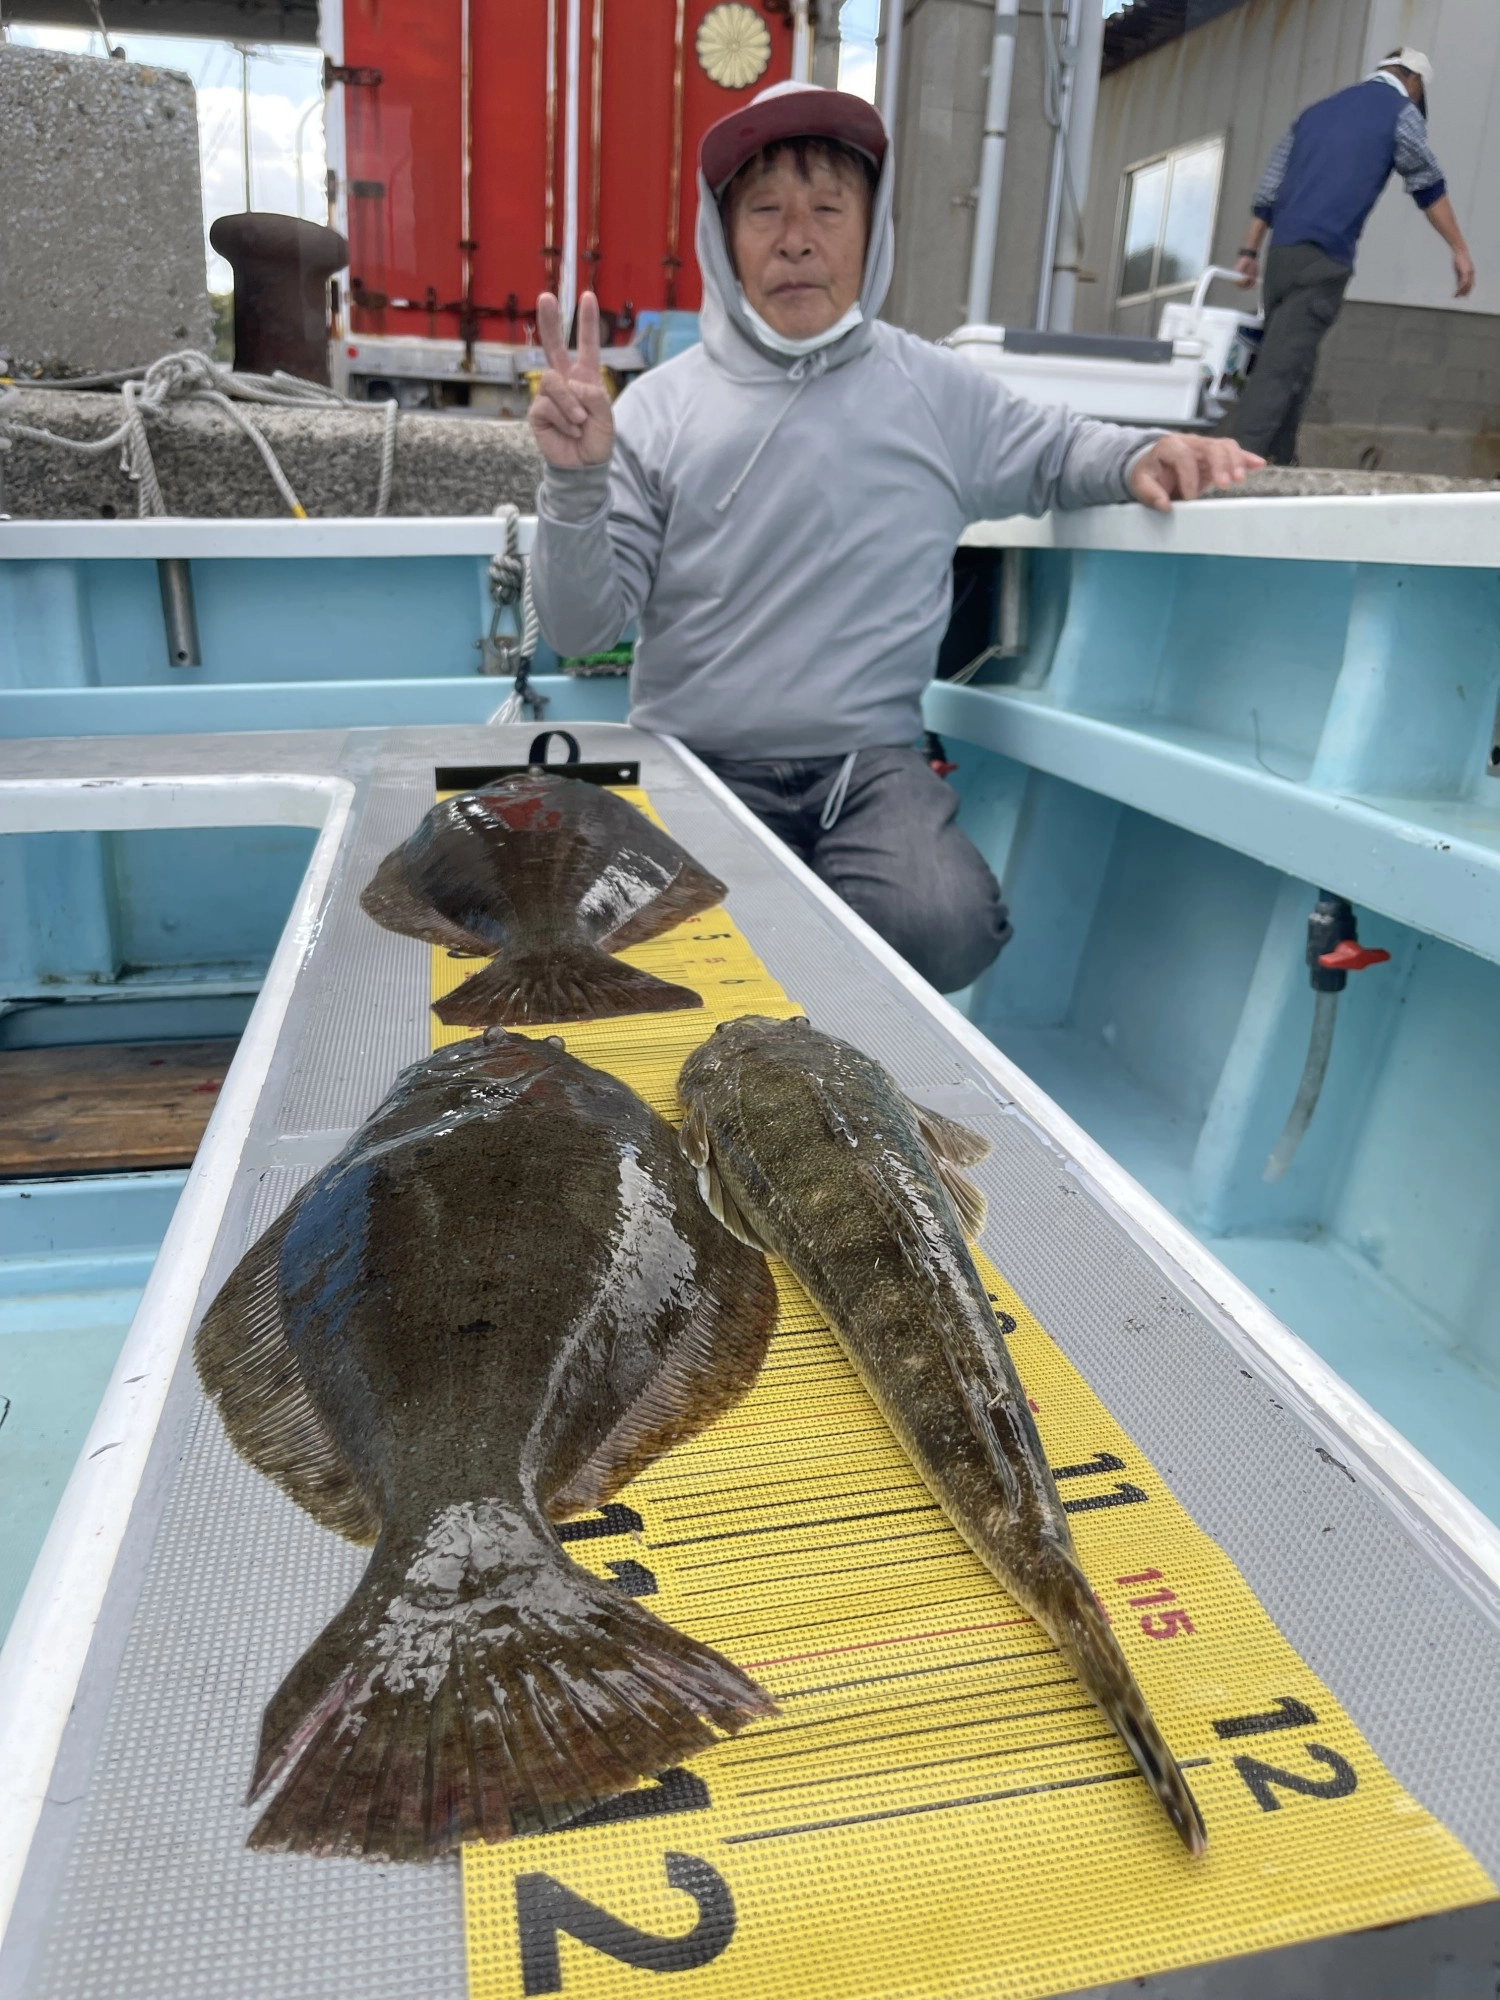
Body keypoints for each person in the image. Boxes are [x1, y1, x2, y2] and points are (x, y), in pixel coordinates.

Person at [529, 82, 1260, 994]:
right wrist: (574, 480)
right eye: (763, 212)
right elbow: (577, 624)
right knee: (605, 947)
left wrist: (1150, 452)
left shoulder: (934, 389)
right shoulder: (660, 408)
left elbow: (1061, 448)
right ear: (724, 241)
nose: (796, 239)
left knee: (945, 926)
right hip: (693, 758)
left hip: (867, 769)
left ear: (871, 233)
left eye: (828, 209)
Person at [1230, 46, 1475, 466]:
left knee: (1295, 359)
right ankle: (1237, 466)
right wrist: (1459, 249)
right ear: (1413, 82)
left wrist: (1249, 251)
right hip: (1323, 257)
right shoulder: (1400, 112)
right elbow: (1427, 184)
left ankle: (1282, 463)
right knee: (1279, 368)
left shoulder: (1314, 114)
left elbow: (1270, 188)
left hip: (1281, 256)